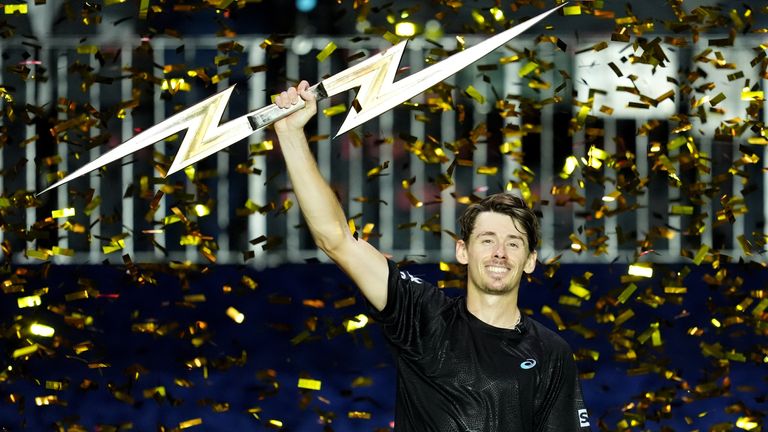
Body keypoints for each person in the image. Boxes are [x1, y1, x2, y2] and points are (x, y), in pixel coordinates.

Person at [274, 80, 592, 432]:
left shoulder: (551, 352)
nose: (500, 252)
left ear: (530, 260)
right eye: (487, 240)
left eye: (514, 243)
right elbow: (336, 239)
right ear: (462, 251)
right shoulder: (423, 317)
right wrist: (290, 133)